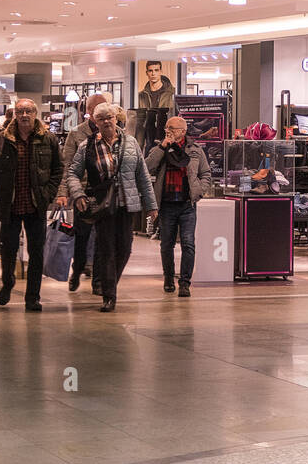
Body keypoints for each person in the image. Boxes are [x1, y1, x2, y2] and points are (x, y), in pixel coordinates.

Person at [67, 103, 155, 313]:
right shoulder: (87, 146)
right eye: (101, 119)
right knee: (106, 249)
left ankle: (110, 282)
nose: (106, 122)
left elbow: (142, 176)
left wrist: (152, 206)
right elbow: (72, 173)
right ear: (95, 122)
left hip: (127, 203)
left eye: (110, 117)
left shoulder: (131, 142)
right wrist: (78, 194)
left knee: (125, 248)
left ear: (117, 119)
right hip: (102, 205)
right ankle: (109, 295)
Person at [0, 99, 63, 311]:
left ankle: (32, 297)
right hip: (10, 204)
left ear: (35, 113)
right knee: (8, 250)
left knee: (37, 252)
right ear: (14, 114)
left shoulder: (48, 139)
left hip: (36, 204)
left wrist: (49, 193)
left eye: (28, 111)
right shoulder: (1, 140)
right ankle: (8, 284)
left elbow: (57, 169)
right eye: (20, 111)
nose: (24, 115)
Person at [146, 115, 212, 297]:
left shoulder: (195, 150)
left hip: (187, 204)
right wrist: (162, 147)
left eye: (172, 128)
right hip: (166, 204)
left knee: (188, 244)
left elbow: (206, 173)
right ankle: (168, 278)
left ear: (183, 131)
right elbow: (147, 167)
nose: (168, 131)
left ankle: (185, 283)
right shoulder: (160, 147)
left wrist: (199, 190)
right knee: (166, 245)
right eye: (167, 127)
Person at [56, 93, 108, 293]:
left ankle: (98, 281)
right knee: (82, 236)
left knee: (103, 239)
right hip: (82, 194)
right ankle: (77, 270)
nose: (103, 115)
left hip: (106, 193)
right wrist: (63, 192)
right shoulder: (76, 134)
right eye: (98, 110)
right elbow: (67, 166)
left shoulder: (116, 133)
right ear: (89, 112)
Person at [136, 60, 177, 154]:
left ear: (161, 72)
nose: (153, 73)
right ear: (147, 73)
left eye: (156, 70)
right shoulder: (141, 96)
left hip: (168, 135)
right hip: (149, 137)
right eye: (150, 71)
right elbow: (139, 121)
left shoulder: (173, 93)